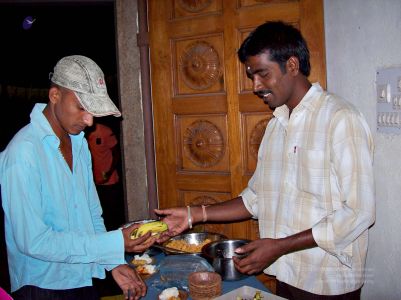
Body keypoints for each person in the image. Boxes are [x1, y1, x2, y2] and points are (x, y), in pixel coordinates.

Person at [155, 21, 375, 300]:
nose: (256, 86)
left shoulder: (341, 119)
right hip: (285, 273)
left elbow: (359, 212)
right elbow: (256, 198)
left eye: (263, 74)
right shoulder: (275, 127)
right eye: (251, 76)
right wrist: (193, 214)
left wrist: (280, 246)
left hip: (327, 281)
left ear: (292, 65)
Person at [0, 55, 155, 300]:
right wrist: (114, 244)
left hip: (82, 276)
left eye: (91, 110)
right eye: (81, 107)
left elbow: (92, 214)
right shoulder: (22, 153)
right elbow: (34, 242)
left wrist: (113, 262)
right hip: (42, 285)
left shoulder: (79, 144)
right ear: (54, 96)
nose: (89, 120)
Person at [87, 119, 125, 231]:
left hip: (109, 181)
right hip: (93, 183)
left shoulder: (104, 131)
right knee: (98, 215)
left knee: (112, 214)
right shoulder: (82, 133)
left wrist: (109, 172)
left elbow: (117, 153)